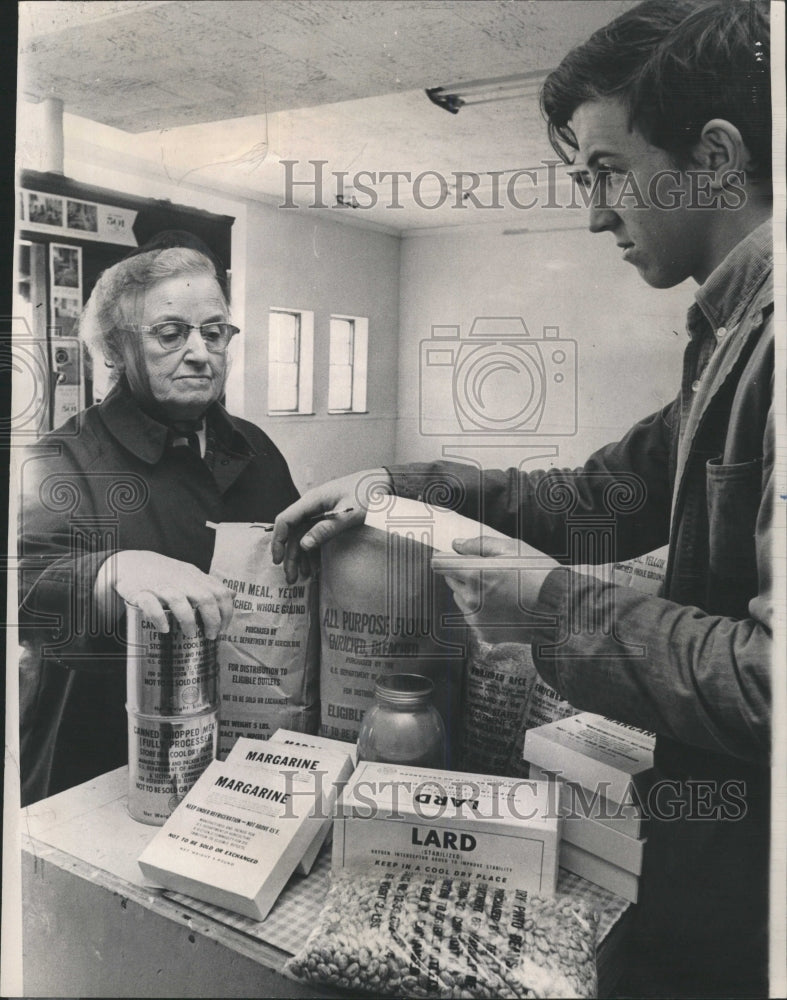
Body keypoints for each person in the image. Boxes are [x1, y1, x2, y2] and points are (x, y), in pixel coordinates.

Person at [271, 1, 774, 996]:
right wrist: (393, 478)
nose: (594, 216)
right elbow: (597, 493)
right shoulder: (732, 331)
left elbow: (769, 684)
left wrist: (544, 606)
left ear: (716, 155)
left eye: (606, 172)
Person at [18, 238, 300, 806]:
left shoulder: (256, 447)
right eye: (171, 334)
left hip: (240, 755)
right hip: (99, 763)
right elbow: (21, 586)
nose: (200, 352)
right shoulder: (60, 457)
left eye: (215, 332)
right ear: (116, 351)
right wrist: (111, 569)